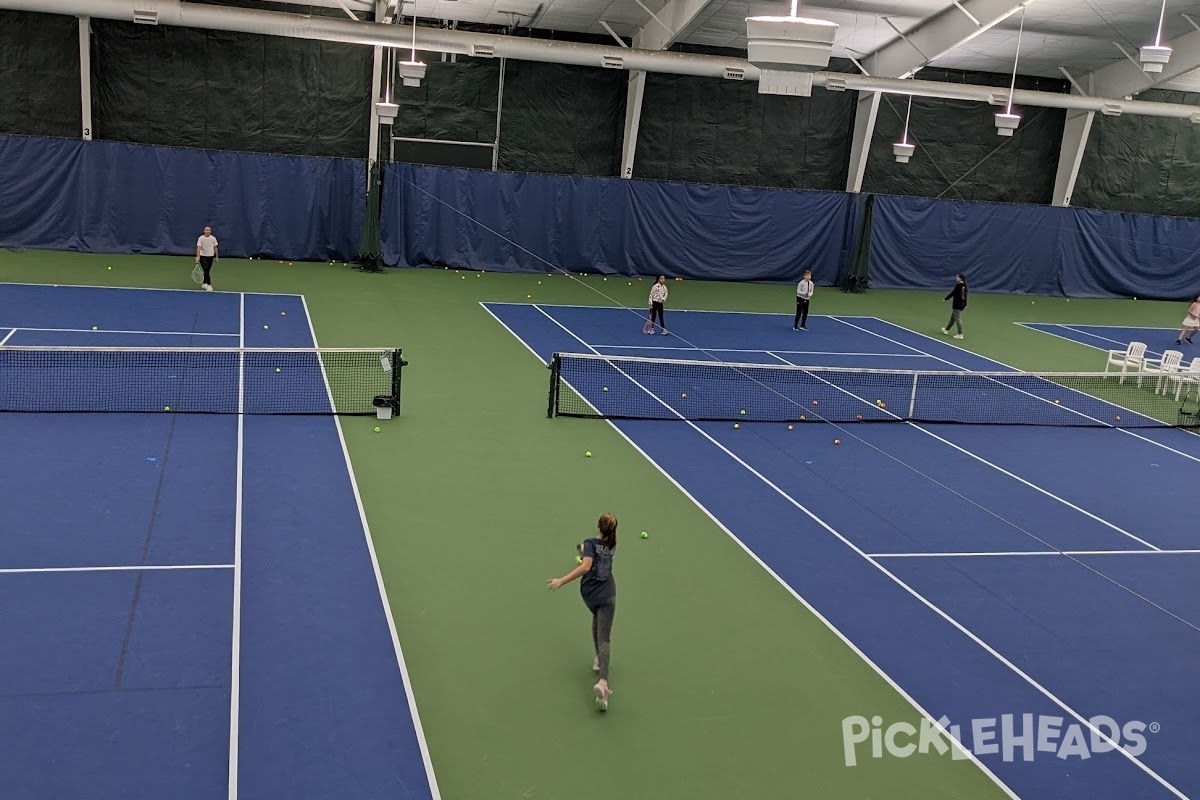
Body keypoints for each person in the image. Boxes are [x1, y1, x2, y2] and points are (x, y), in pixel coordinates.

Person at [547, 513, 618, 711]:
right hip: (608, 597)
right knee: (603, 635)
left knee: (599, 631)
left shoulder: (590, 543)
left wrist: (561, 580)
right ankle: (601, 672)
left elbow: (587, 566)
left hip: (592, 597)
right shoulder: (612, 545)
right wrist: (585, 552)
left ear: (598, 526)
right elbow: (597, 561)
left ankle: (603, 682)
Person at [941, 274, 968, 340]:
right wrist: (964, 304)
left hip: (957, 305)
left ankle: (960, 334)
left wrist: (946, 298)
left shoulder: (959, 286)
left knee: (957, 319)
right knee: (953, 318)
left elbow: (953, 293)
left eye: (957, 277)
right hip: (962, 304)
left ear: (961, 278)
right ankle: (946, 330)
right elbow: (965, 296)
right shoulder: (964, 286)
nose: (956, 278)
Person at [195, 225, 219, 292]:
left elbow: (215, 247)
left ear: (210, 231)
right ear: (204, 231)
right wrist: (198, 256)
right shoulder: (201, 238)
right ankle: (209, 285)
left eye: (209, 230)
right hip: (203, 256)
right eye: (206, 230)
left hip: (211, 256)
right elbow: (198, 248)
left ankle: (204, 283)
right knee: (206, 269)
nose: (208, 231)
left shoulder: (213, 238)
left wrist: (216, 257)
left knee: (207, 270)